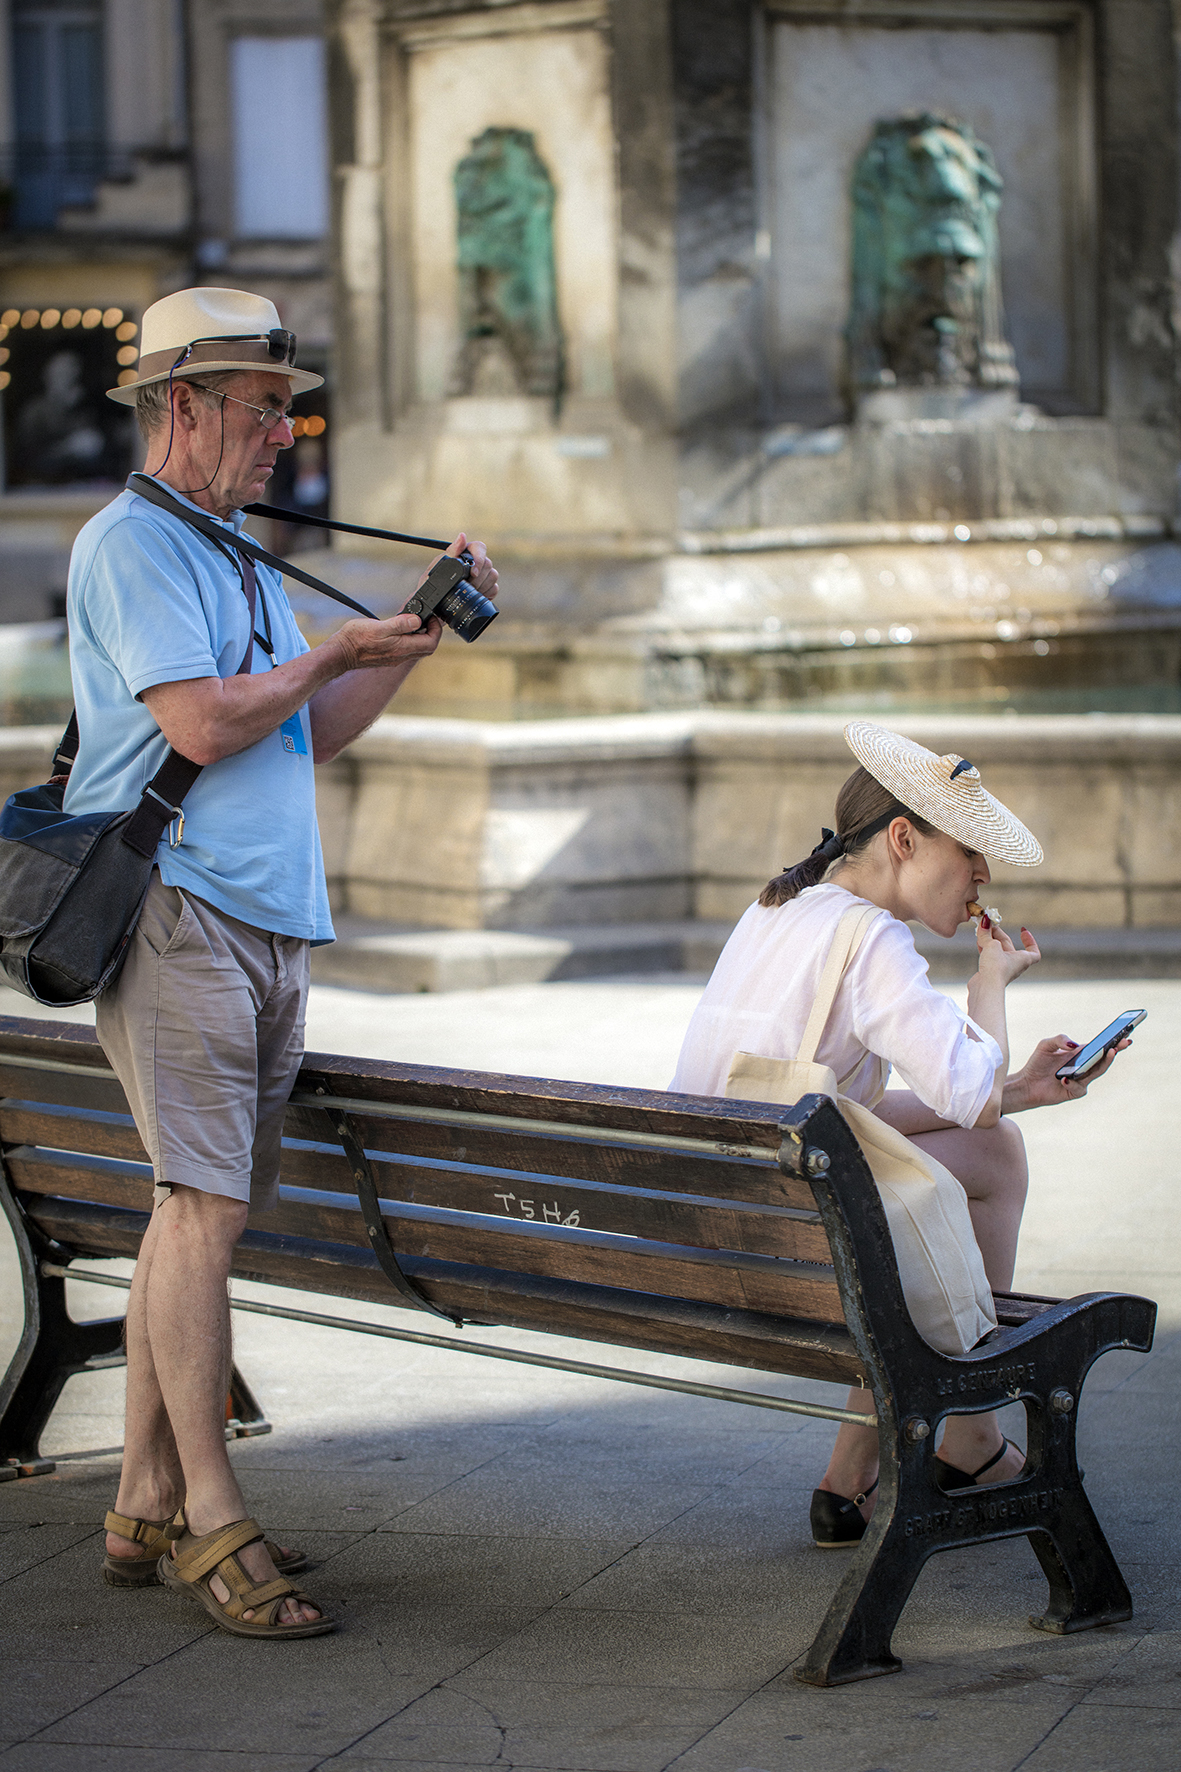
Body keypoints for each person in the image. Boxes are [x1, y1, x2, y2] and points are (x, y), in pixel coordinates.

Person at [66, 286, 498, 1637]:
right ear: (180, 408)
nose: (284, 435)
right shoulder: (132, 547)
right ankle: (211, 1514)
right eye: (263, 409)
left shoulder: (237, 552)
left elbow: (309, 734)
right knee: (199, 1212)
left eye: (287, 410)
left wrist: (401, 647)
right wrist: (325, 657)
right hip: (183, 912)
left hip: (260, 919)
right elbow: (199, 718)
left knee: (195, 1211)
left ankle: (143, 1487)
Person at [670, 721, 1129, 1548]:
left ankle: (856, 1476)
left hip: (720, 1214)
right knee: (990, 1155)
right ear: (903, 839)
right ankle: (969, 1430)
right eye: (971, 852)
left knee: (988, 1144)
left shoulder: (782, 907)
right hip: (791, 1240)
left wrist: (1016, 1090)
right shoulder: (870, 935)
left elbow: (832, 1113)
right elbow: (958, 1087)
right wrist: (989, 985)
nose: (983, 876)